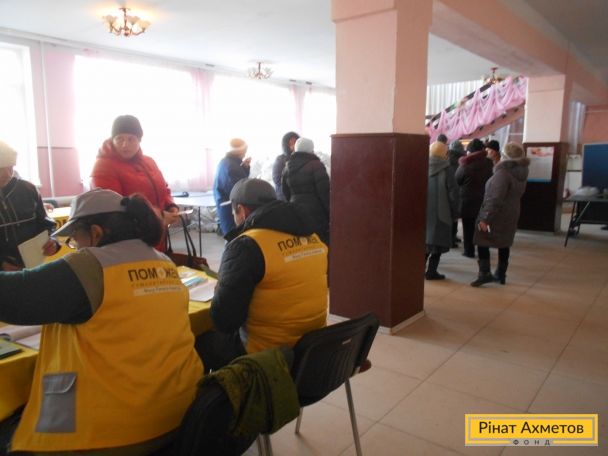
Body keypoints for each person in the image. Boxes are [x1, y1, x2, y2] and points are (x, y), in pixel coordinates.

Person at [0, 189, 203, 454]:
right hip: (180, 414)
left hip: (111, 434)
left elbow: (12, 297)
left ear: (96, 233)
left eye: (76, 239)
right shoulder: (163, 262)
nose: (75, 247)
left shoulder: (89, 267)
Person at [197, 178, 328, 372]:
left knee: (199, 342)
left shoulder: (247, 245)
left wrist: (220, 291)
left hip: (267, 357)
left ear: (241, 210)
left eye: (233, 213)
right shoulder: (313, 236)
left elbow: (224, 321)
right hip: (311, 352)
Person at [90, 115, 180, 250]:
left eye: (131, 139)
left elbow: (164, 188)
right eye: (119, 139)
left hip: (156, 234)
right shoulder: (103, 166)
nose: (125, 144)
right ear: (112, 139)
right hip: (126, 240)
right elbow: (115, 205)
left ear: (139, 140)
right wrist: (159, 216)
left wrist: (171, 206)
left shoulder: (149, 161)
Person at [471, 142, 530, 287]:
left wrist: (485, 219)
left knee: (482, 239)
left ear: (505, 156)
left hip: (495, 215)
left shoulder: (502, 174)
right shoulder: (521, 172)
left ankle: (484, 273)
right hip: (511, 212)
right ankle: (501, 274)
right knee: (505, 243)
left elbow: (494, 199)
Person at [0, 140, 59, 271]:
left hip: (32, 268)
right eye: (0, 169)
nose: (7, 174)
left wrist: (53, 241)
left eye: (10, 167)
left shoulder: (28, 189)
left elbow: (46, 224)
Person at [281, 137, 330, 246]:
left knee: (302, 245)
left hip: (296, 211)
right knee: (320, 244)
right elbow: (324, 192)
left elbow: (285, 191)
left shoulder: (287, 167)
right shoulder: (316, 165)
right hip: (316, 213)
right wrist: (330, 213)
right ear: (311, 149)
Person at [455, 138, 493, 258]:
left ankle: (469, 251)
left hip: (468, 201)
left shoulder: (465, 164)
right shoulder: (489, 163)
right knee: (483, 227)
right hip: (485, 201)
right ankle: (484, 251)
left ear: (469, 151)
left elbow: (457, 180)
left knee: (468, 228)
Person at [425, 141, 457, 280]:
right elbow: (453, 194)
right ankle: (431, 271)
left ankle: (419, 270)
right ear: (445, 153)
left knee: (425, 241)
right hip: (441, 211)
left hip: (424, 211)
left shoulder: (422, 165)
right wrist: (455, 213)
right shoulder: (447, 170)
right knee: (438, 242)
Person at [212, 138, 251, 236]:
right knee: (234, 237)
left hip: (226, 205)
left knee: (232, 236)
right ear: (239, 151)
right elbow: (238, 190)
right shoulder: (231, 166)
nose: (245, 154)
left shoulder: (229, 163)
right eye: (244, 150)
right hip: (231, 209)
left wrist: (245, 168)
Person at [447, 140, 466, 247]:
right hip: (458, 190)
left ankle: (452, 237)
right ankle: (452, 238)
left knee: (452, 216)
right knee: (454, 216)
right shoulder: (461, 160)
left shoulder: (448, 159)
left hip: (451, 190)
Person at [272, 131, 299, 201]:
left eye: (295, 142)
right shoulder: (280, 159)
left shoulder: (303, 158)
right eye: (291, 143)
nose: (293, 145)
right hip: (285, 197)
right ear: (286, 145)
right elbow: (277, 180)